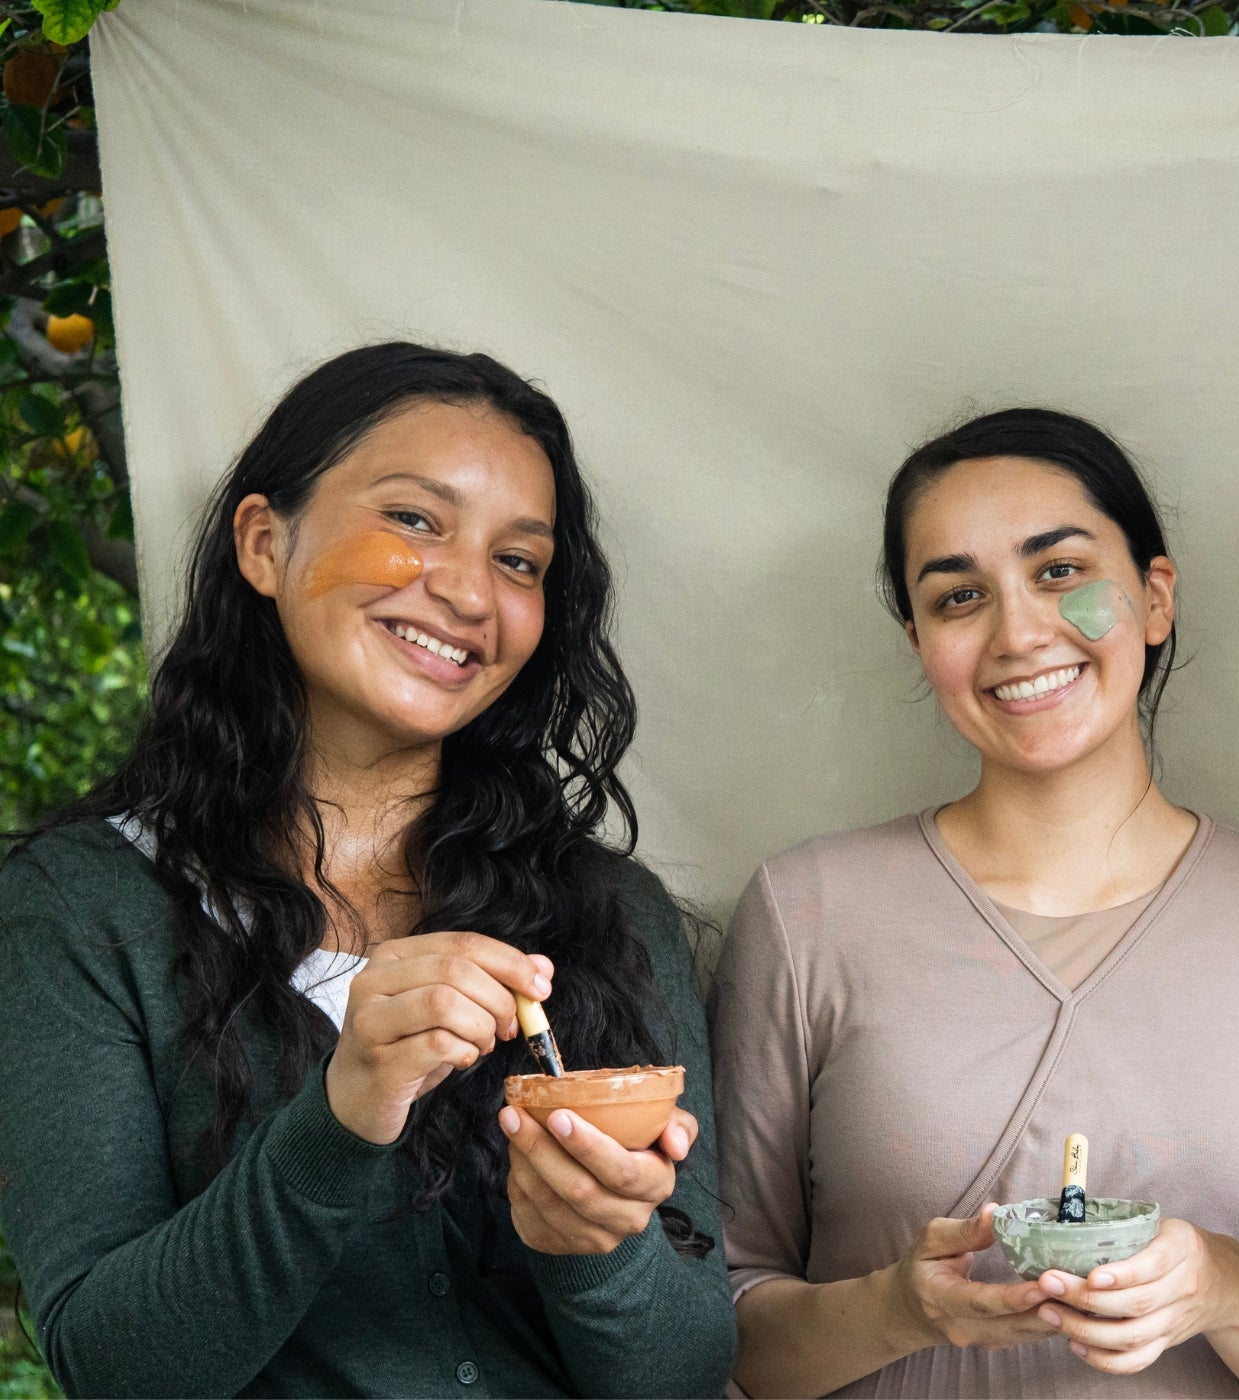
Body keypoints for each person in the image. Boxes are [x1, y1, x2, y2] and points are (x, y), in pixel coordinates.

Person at [0, 343, 736, 1397]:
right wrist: (342, 1112)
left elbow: (688, 1371)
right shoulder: (82, 904)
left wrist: (596, 1246)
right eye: (415, 519)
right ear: (263, 541)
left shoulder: (607, 912)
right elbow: (114, 1368)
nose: (469, 591)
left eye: (519, 560)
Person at [714, 408, 1239, 1397]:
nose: (1018, 630)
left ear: (1154, 597)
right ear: (918, 641)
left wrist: (1225, 1287)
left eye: (1060, 571)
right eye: (957, 596)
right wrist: (897, 1309)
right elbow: (719, 1328)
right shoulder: (805, 910)